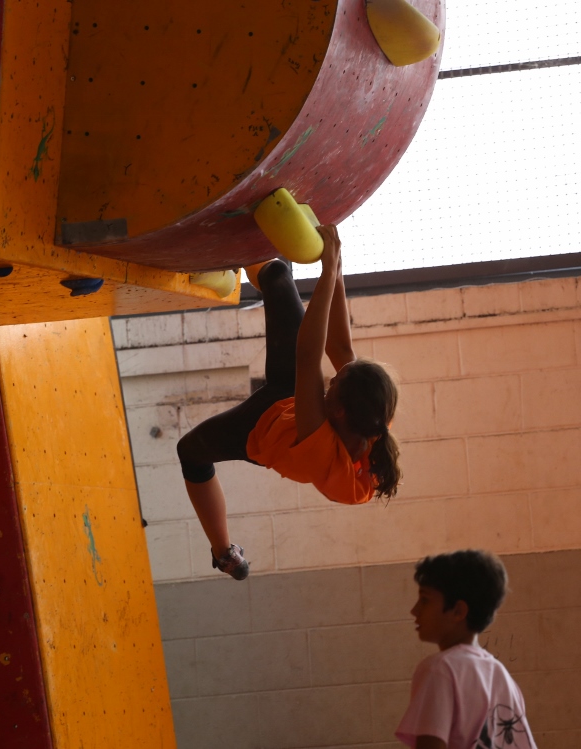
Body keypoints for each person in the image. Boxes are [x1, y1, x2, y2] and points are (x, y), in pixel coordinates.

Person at [176, 225, 401, 580]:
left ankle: (223, 552)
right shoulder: (371, 414)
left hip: (258, 432)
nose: (331, 379)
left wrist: (326, 272)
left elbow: (309, 355)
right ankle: (244, 244)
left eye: (333, 384)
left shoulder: (325, 458)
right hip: (290, 394)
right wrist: (337, 267)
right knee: (279, 276)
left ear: (338, 410)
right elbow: (340, 348)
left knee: (190, 451)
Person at [396, 550, 536, 749]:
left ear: (458, 611)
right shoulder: (501, 674)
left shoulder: (440, 669)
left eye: (425, 600)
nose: (414, 610)